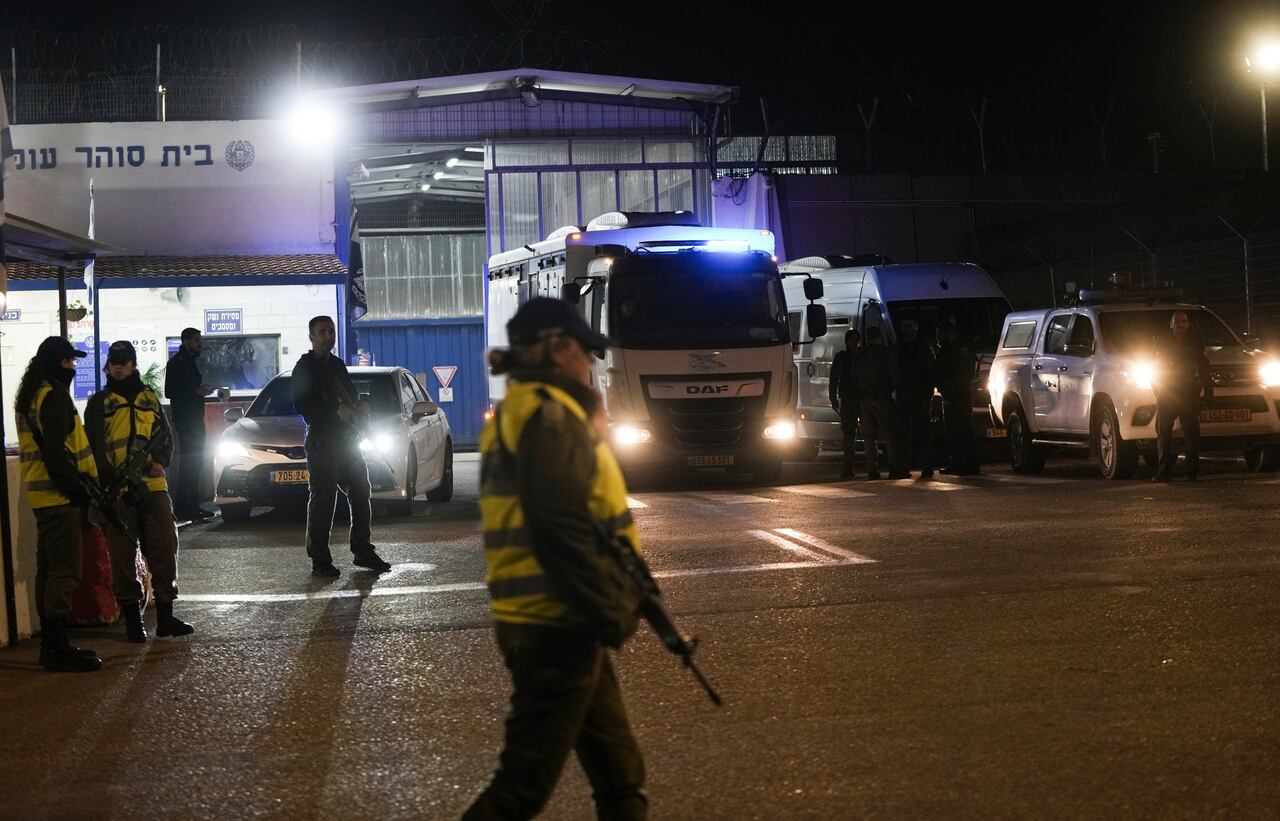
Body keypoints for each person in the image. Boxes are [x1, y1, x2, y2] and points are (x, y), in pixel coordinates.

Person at [464, 297, 647, 821]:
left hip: (557, 617)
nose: (590, 362)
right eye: (583, 351)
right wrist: (607, 607)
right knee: (519, 790)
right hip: (557, 623)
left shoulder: (527, 408)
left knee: (620, 775)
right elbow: (559, 525)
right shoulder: (549, 416)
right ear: (555, 350)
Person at [85, 341, 194, 642]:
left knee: (164, 547)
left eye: (124, 361)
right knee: (121, 554)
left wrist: (160, 461)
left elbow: (166, 438)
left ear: (133, 364)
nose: (118, 366)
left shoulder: (149, 398)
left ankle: (166, 617)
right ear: (107, 366)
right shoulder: (99, 403)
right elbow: (92, 446)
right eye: (114, 362)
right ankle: (133, 621)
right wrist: (108, 482)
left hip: (152, 486)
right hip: (116, 490)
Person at [13, 337, 103, 672]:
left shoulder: (32, 395)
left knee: (49, 570)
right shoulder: (54, 397)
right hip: (60, 497)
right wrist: (75, 490)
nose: (73, 367)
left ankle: (51, 645)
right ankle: (56, 646)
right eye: (68, 362)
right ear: (54, 364)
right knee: (65, 571)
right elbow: (55, 452)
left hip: (42, 497)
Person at [291, 315, 391, 577]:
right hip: (323, 440)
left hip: (347, 440)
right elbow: (302, 405)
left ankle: (363, 550)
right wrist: (335, 411)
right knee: (324, 499)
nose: (328, 336)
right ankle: (320, 560)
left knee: (361, 489)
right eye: (322, 332)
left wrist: (360, 405)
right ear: (311, 337)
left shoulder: (336, 365)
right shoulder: (305, 368)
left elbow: (349, 394)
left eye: (331, 331)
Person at [1152, 310, 1212, 482]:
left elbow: (1203, 367)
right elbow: (1155, 366)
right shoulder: (1162, 343)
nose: (1181, 324)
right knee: (1164, 433)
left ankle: (1191, 472)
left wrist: (1208, 391)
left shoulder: (1195, 343)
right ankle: (1164, 472)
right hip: (1168, 393)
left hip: (1188, 393)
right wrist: (1158, 388)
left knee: (1191, 434)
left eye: (1184, 321)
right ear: (1171, 324)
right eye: (1178, 321)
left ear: (1188, 324)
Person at [165, 328, 213, 521]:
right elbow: (170, 391)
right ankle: (187, 507)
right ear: (186, 341)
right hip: (187, 420)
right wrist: (196, 391)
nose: (199, 343)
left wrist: (199, 390)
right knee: (191, 463)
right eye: (196, 340)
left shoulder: (188, 362)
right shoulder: (178, 363)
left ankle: (189, 506)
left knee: (194, 463)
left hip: (192, 419)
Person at [852, 326, 908, 480]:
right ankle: (895, 468)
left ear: (867, 338)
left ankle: (872, 470)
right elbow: (895, 375)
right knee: (891, 433)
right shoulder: (885, 354)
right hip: (882, 397)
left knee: (869, 436)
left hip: (865, 399)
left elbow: (854, 376)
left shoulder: (860, 355)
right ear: (879, 337)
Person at [935, 319, 980, 475]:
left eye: (940, 333)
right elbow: (938, 372)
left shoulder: (961, 350)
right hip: (949, 396)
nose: (938, 337)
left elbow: (964, 375)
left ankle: (968, 464)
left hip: (960, 396)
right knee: (952, 431)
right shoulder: (945, 350)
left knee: (963, 430)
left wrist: (952, 391)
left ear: (949, 333)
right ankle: (957, 463)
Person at [895, 317, 936, 479]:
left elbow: (930, 371)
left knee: (923, 431)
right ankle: (904, 467)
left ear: (916, 326)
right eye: (903, 326)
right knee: (903, 432)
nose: (906, 329)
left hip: (919, 394)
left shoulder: (923, 345)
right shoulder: (899, 345)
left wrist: (928, 395)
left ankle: (927, 466)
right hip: (904, 393)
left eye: (909, 326)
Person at [829, 329, 862, 479]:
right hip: (851, 398)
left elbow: (834, 378)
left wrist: (833, 396)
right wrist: (833, 397)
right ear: (847, 341)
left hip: (856, 397)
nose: (854, 342)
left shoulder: (845, 357)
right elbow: (834, 377)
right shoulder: (848, 357)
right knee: (850, 435)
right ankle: (850, 468)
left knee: (854, 434)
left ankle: (851, 468)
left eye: (856, 339)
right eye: (852, 340)